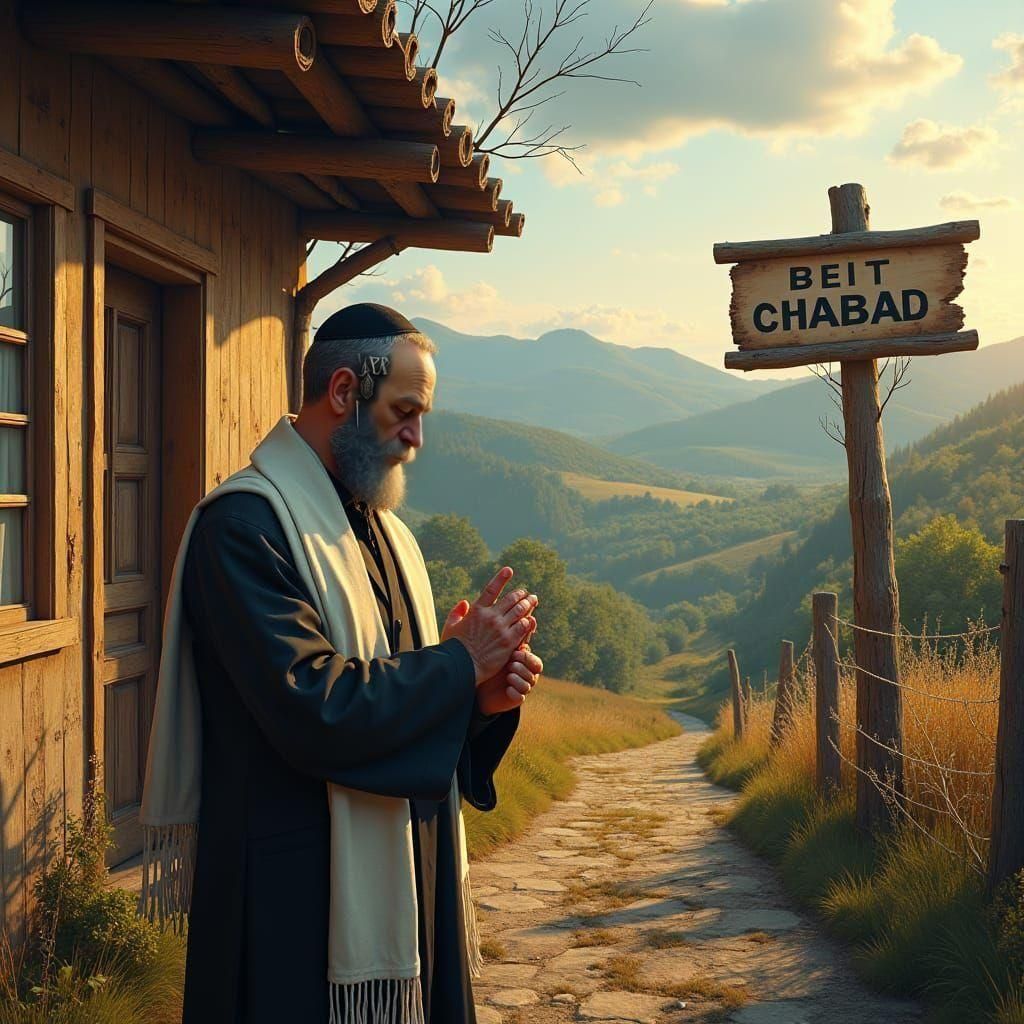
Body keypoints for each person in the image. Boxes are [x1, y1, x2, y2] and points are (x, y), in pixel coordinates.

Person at [138, 303, 543, 1024]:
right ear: (344, 392)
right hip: (291, 901)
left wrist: (481, 702)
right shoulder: (242, 528)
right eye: (405, 411)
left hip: (407, 878)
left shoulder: (385, 533)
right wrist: (456, 664)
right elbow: (314, 705)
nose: (417, 438)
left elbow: (400, 700)